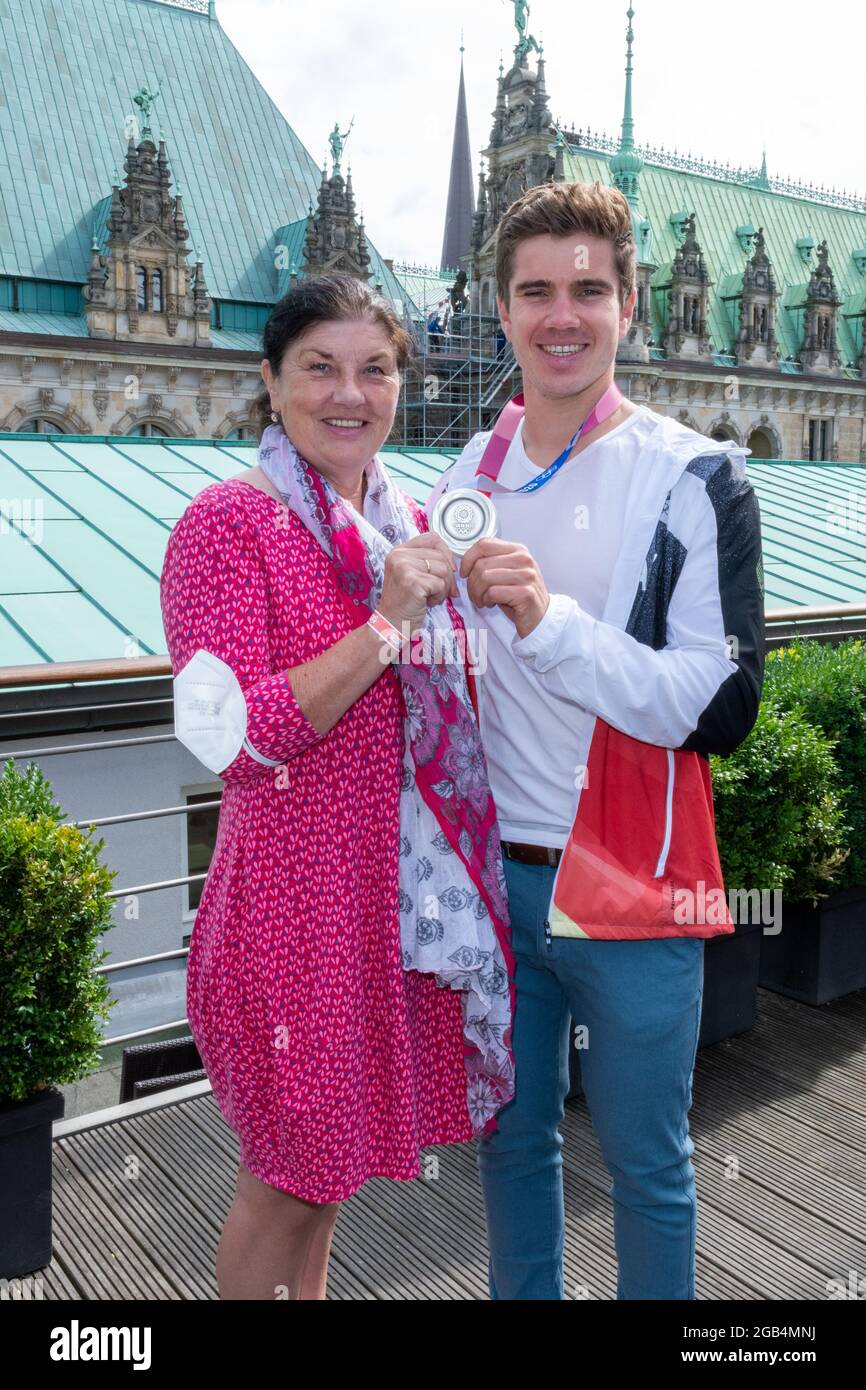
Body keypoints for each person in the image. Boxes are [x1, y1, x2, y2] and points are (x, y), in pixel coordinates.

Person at [427, 180, 765, 1300]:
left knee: (647, 1167)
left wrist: (550, 626)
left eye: (585, 289)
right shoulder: (461, 478)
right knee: (510, 1148)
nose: (558, 315)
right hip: (488, 891)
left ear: (626, 304)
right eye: (534, 291)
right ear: (502, 308)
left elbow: (718, 706)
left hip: (627, 885)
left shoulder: (692, 474)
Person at [160, 273, 515, 1301]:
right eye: (318, 367)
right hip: (289, 916)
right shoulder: (227, 524)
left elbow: (440, 721)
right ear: (270, 382)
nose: (347, 393)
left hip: (381, 909)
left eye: (373, 368)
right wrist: (385, 623)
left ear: (402, 382)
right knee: (286, 1181)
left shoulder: (404, 523)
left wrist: (488, 608)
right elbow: (230, 741)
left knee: (323, 1185)